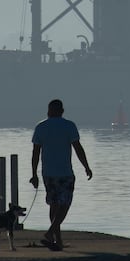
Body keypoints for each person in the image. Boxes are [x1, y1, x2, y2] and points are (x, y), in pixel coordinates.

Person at [30, 99, 92, 250]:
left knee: (54, 205)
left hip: (48, 173)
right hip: (65, 173)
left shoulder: (41, 127)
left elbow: (35, 153)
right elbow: (78, 148)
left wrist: (34, 174)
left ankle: (57, 240)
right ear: (62, 111)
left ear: (48, 111)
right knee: (65, 204)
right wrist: (86, 166)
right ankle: (51, 233)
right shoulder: (69, 126)